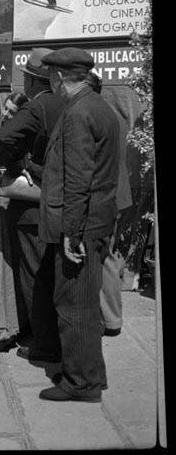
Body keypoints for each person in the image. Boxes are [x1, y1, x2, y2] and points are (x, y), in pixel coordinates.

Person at [37, 48, 119, 403]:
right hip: (96, 220)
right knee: (83, 301)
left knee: (74, 305)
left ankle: (81, 384)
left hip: (82, 226)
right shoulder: (99, 106)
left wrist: (71, 231)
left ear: (57, 78)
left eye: (50, 79)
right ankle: (90, 373)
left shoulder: (78, 113)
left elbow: (78, 179)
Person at [0, 49, 66, 354]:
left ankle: (43, 343)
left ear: (32, 81)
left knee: (35, 276)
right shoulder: (67, 103)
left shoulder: (36, 108)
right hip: (62, 200)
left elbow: (5, 139)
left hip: (33, 206)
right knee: (55, 275)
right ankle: (58, 338)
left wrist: (19, 165)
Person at [86, 70, 133, 337]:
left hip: (107, 196)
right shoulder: (113, 114)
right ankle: (111, 317)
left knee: (104, 258)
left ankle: (110, 319)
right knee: (109, 256)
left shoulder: (96, 116)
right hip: (119, 194)